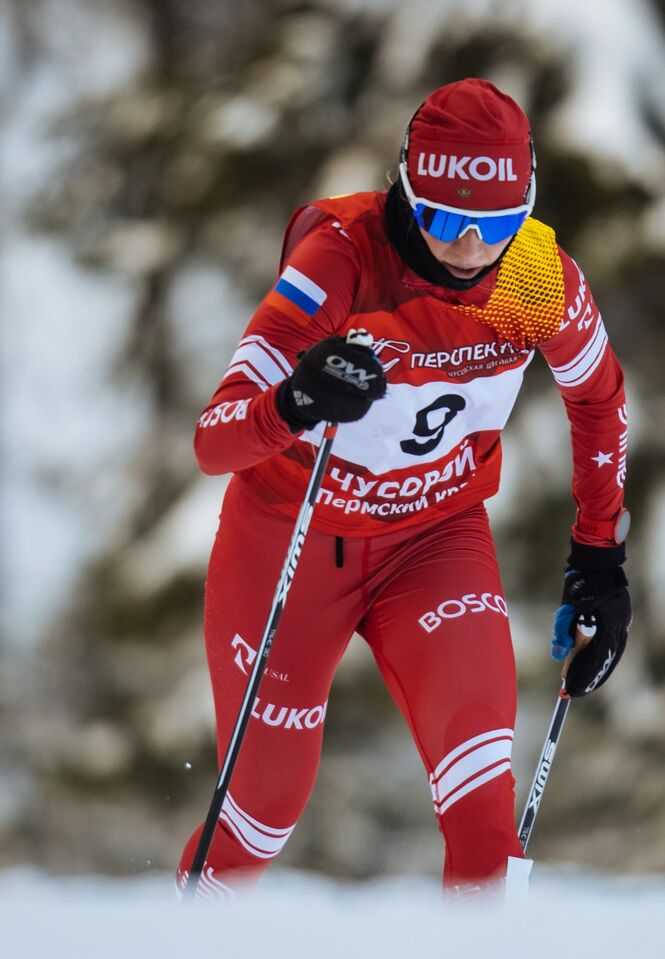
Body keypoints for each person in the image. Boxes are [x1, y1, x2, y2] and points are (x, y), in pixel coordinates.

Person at [179, 78, 632, 899]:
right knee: (258, 814)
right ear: (404, 189)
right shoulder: (345, 256)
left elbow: (600, 400)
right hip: (294, 536)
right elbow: (216, 438)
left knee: (488, 826)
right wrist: (296, 399)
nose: (466, 249)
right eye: (442, 218)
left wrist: (599, 556)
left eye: (494, 226)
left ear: (525, 211)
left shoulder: (534, 277)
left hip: (435, 540)